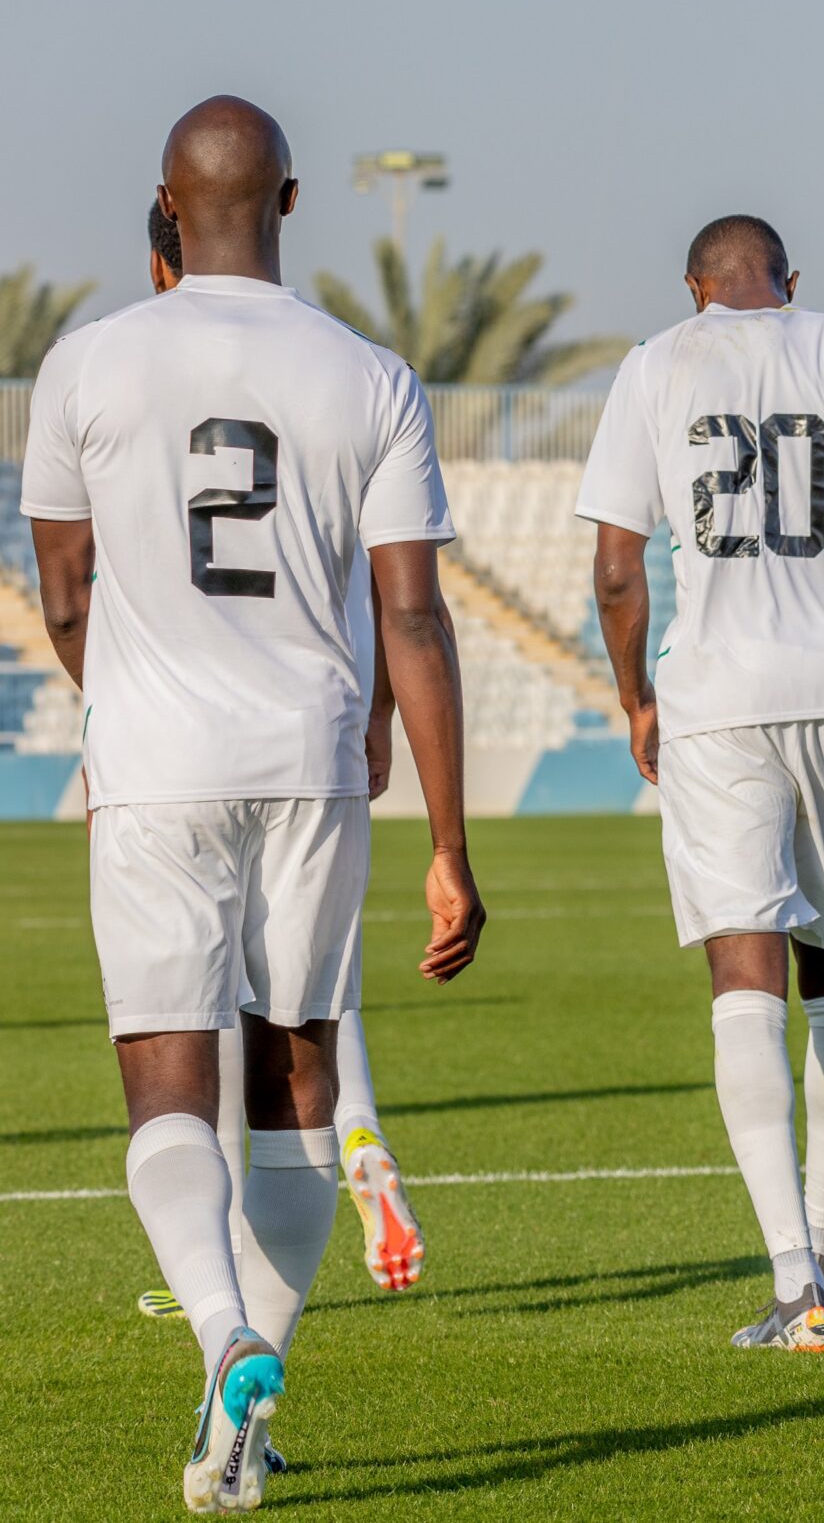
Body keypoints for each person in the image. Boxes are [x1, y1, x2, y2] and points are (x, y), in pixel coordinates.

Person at [23, 95, 485, 1514]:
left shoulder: (89, 361)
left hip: (155, 763)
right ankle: (248, 1401)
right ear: (290, 204)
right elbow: (415, 616)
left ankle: (224, 1338)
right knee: (296, 1079)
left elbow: (62, 588)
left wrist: (131, 695)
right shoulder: (371, 376)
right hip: (312, 761)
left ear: (168, 203)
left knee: (169, 1078)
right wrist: (451, 843)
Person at [577, 215, 824, 1353]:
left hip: (718, 696)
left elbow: (615, 568)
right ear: (791, 282)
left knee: (741, 967)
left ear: (695, 288)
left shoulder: (656, 364)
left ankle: (796, 1276)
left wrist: (638, 694)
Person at [132, 204, 427, 1360]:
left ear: (167, 255)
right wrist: (389, 728)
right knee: (302, 1013)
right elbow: (402, 603)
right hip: (323, 721)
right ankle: (357, 1137)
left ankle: (212, 1300)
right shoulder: (346, 379)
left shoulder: (126, 373)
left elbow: (79, 587)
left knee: (187, 1033)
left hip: (180, 739)